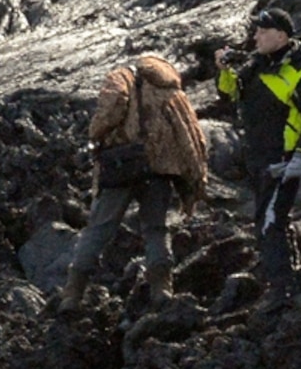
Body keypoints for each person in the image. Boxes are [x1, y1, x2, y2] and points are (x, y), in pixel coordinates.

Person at [60, 55, 209, 306]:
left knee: (98, 229)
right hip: (159, 170)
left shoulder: (122, 76)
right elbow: (192, 134)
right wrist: (193, 178)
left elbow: (113, 105)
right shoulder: (171, 89)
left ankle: (72, 295)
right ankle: (162, 290)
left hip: (122, 166)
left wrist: (95, 133)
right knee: (156, 229)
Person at [214, 8, 301, 292]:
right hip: (258, 157)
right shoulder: (257, 65)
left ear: (281, 35)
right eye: (256, 31)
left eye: (262, 32)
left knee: (270, 223)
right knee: (271, 219)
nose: (256, 37)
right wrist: (224, 70)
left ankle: (282, 290)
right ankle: (288, 278)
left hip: (282, 159)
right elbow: (230, 94)